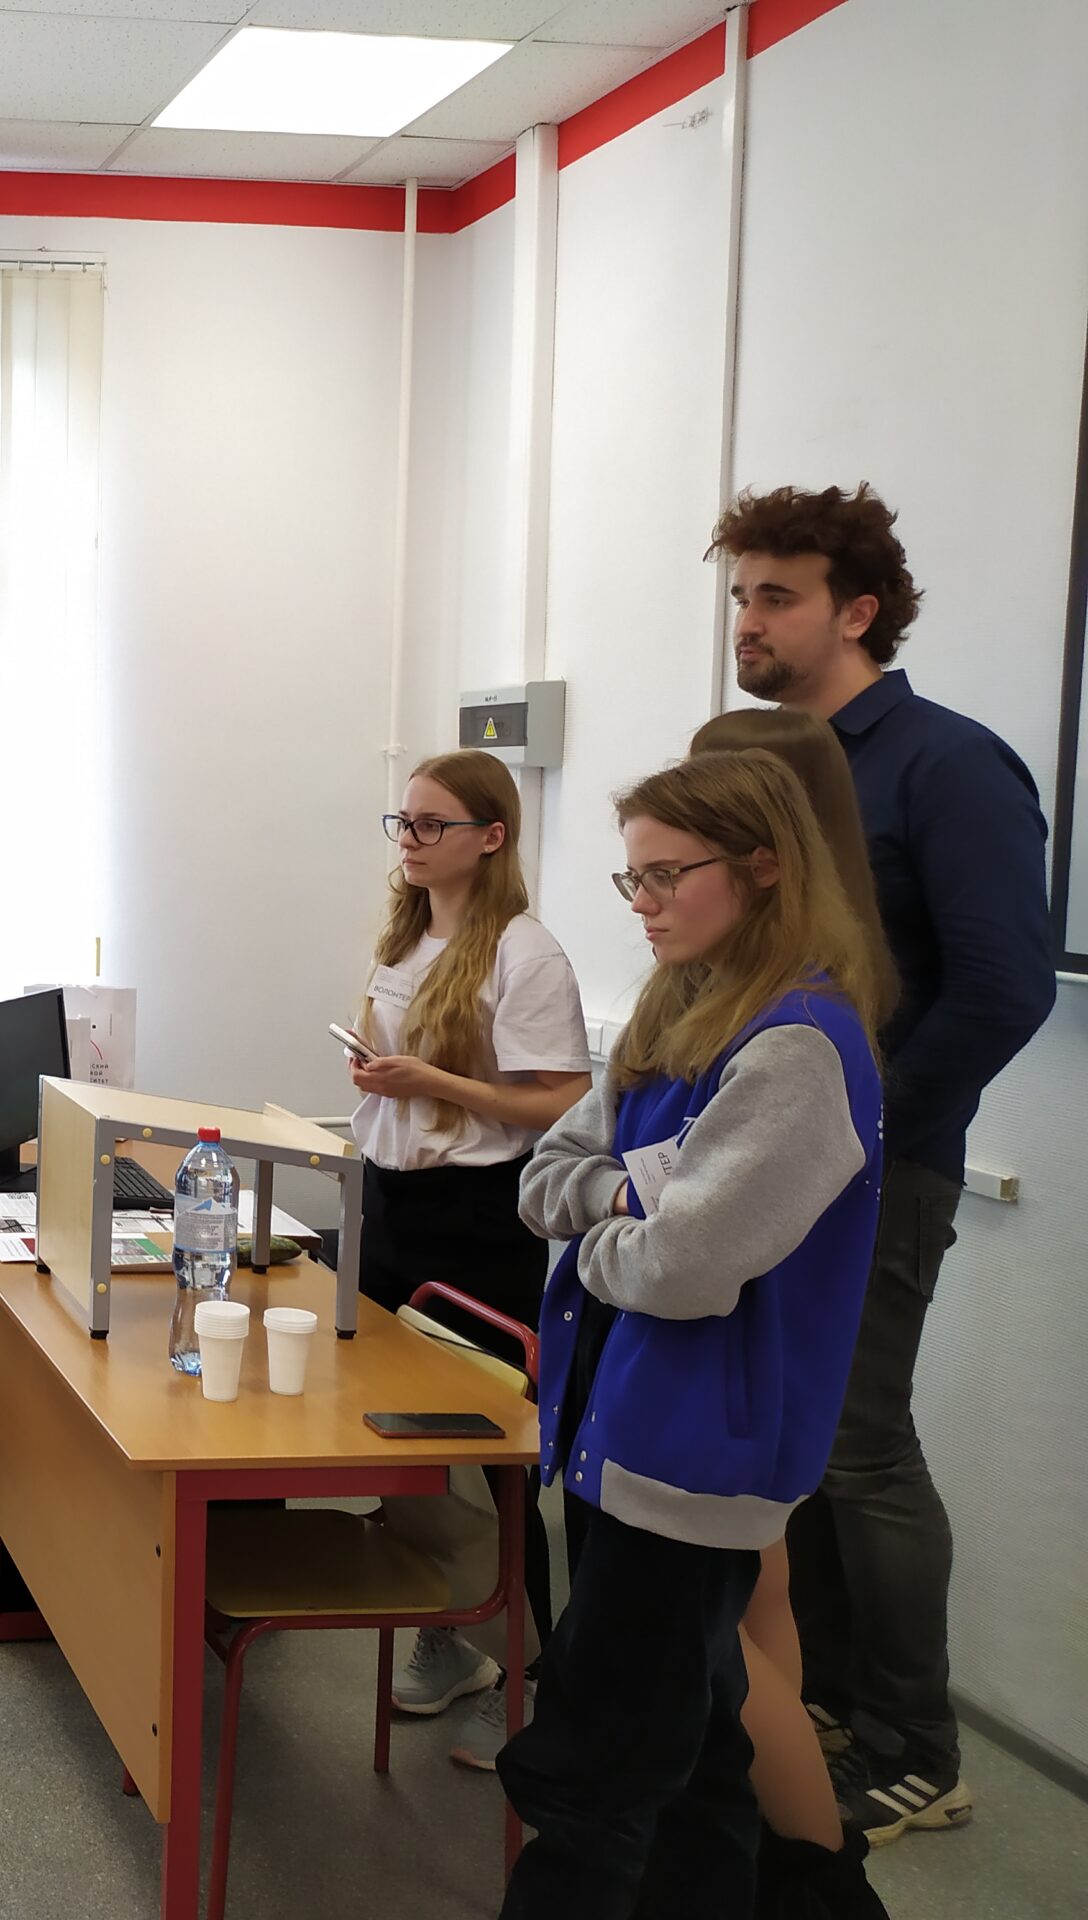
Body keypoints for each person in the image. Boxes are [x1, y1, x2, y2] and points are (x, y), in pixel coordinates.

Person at [711, 484, 1056, 1841]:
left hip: (878, 1168)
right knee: (798, 1441)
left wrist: (863, 1128)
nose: (747, 620)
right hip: (764, 1158)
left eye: (775, 595)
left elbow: (1006, 986)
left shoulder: (946, 766)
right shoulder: (777, 768)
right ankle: (828, 1704)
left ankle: (919, 1748)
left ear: (857, 611)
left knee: (861, 1447)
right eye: (739, 594)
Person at [500, 752, 886, 1918]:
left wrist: (600, 1242)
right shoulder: (676, 1006)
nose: (644, 903)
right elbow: (544, 1178)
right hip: (617, 1430)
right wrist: (629, 1198)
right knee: (696, 1756)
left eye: (668, 874)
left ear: (764, 866)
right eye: (633, 879)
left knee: (596, 1769)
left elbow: (683, 1271)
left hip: (691, 1457)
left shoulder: (796, 1047)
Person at [691, 714, 897, 1917]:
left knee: (722, 1613)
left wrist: (624, 1211)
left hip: (734, 1337)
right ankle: (798, 1857)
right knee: (757, 1599)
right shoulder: (789, 972)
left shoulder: (797, 1014)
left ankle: (818, 1877)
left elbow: (691, 1219)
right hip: (740, 1335)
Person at [347, 750, 591, 1768]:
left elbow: (560, 1099)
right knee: (399, 1444)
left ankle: (529, 1681)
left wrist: (434, 1083)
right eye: (401, 822)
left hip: (476, 1217)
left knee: (488, 1455)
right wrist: (383, 1079)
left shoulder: (525, 954)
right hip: (391, 1201)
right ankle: (447, 1640)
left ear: (490, 837)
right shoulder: (406, 933)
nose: (408, 841)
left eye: (430, 825)